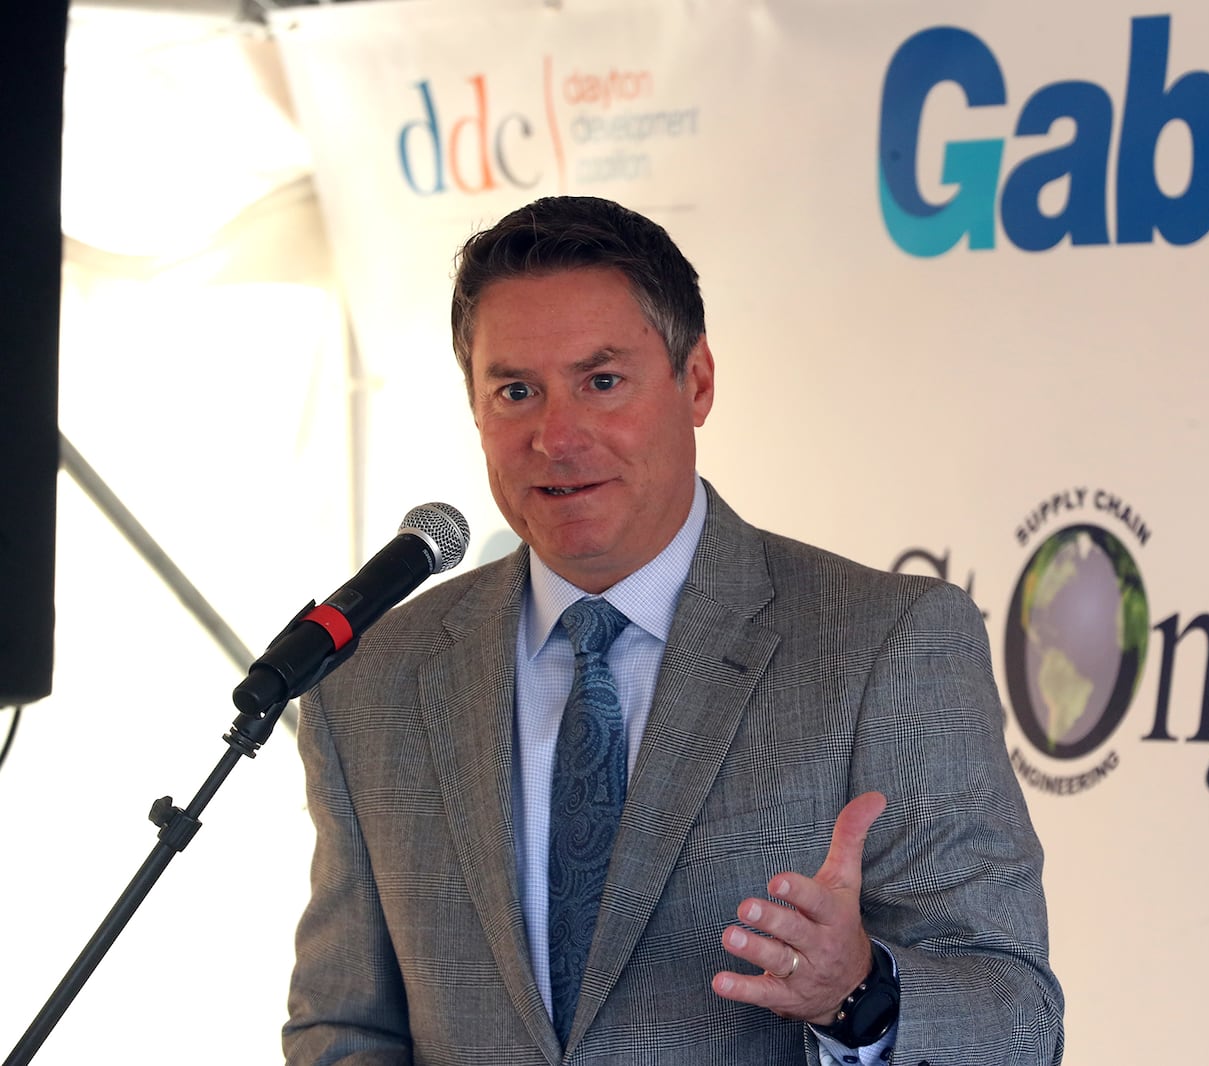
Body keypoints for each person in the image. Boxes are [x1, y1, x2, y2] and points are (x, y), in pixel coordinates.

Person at [283, 196, 1063, 1065]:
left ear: (696, 382)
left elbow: (1017, 1020)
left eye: (602, 381)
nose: (557, 436)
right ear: (475, 411)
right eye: (515, 392)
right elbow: (343, 1027)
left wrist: (860, 994)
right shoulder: (371, 683)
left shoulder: (886, 644)